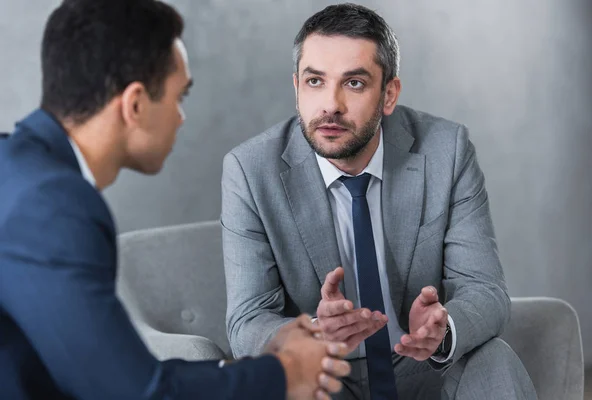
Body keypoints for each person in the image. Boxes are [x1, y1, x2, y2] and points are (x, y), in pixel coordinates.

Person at [0, 1, 351, 399]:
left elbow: (106, 371)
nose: (181, 117)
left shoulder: (17, 169)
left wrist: (258, 367)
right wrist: (284, 375)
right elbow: (136, 392)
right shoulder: (53, 206)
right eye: (177, 97)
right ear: (134, 105)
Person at [221, 3, 537, 399]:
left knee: (494, 358)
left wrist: (441, 329)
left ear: (389, 94)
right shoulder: (250, 171)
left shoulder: (446, 151)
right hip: (323, 376)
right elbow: (248, 320)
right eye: (315, 81)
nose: (331, 104)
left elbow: (485, 289)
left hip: (424, 367)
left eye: (353, 83)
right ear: (297, 88)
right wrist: (312, 334)